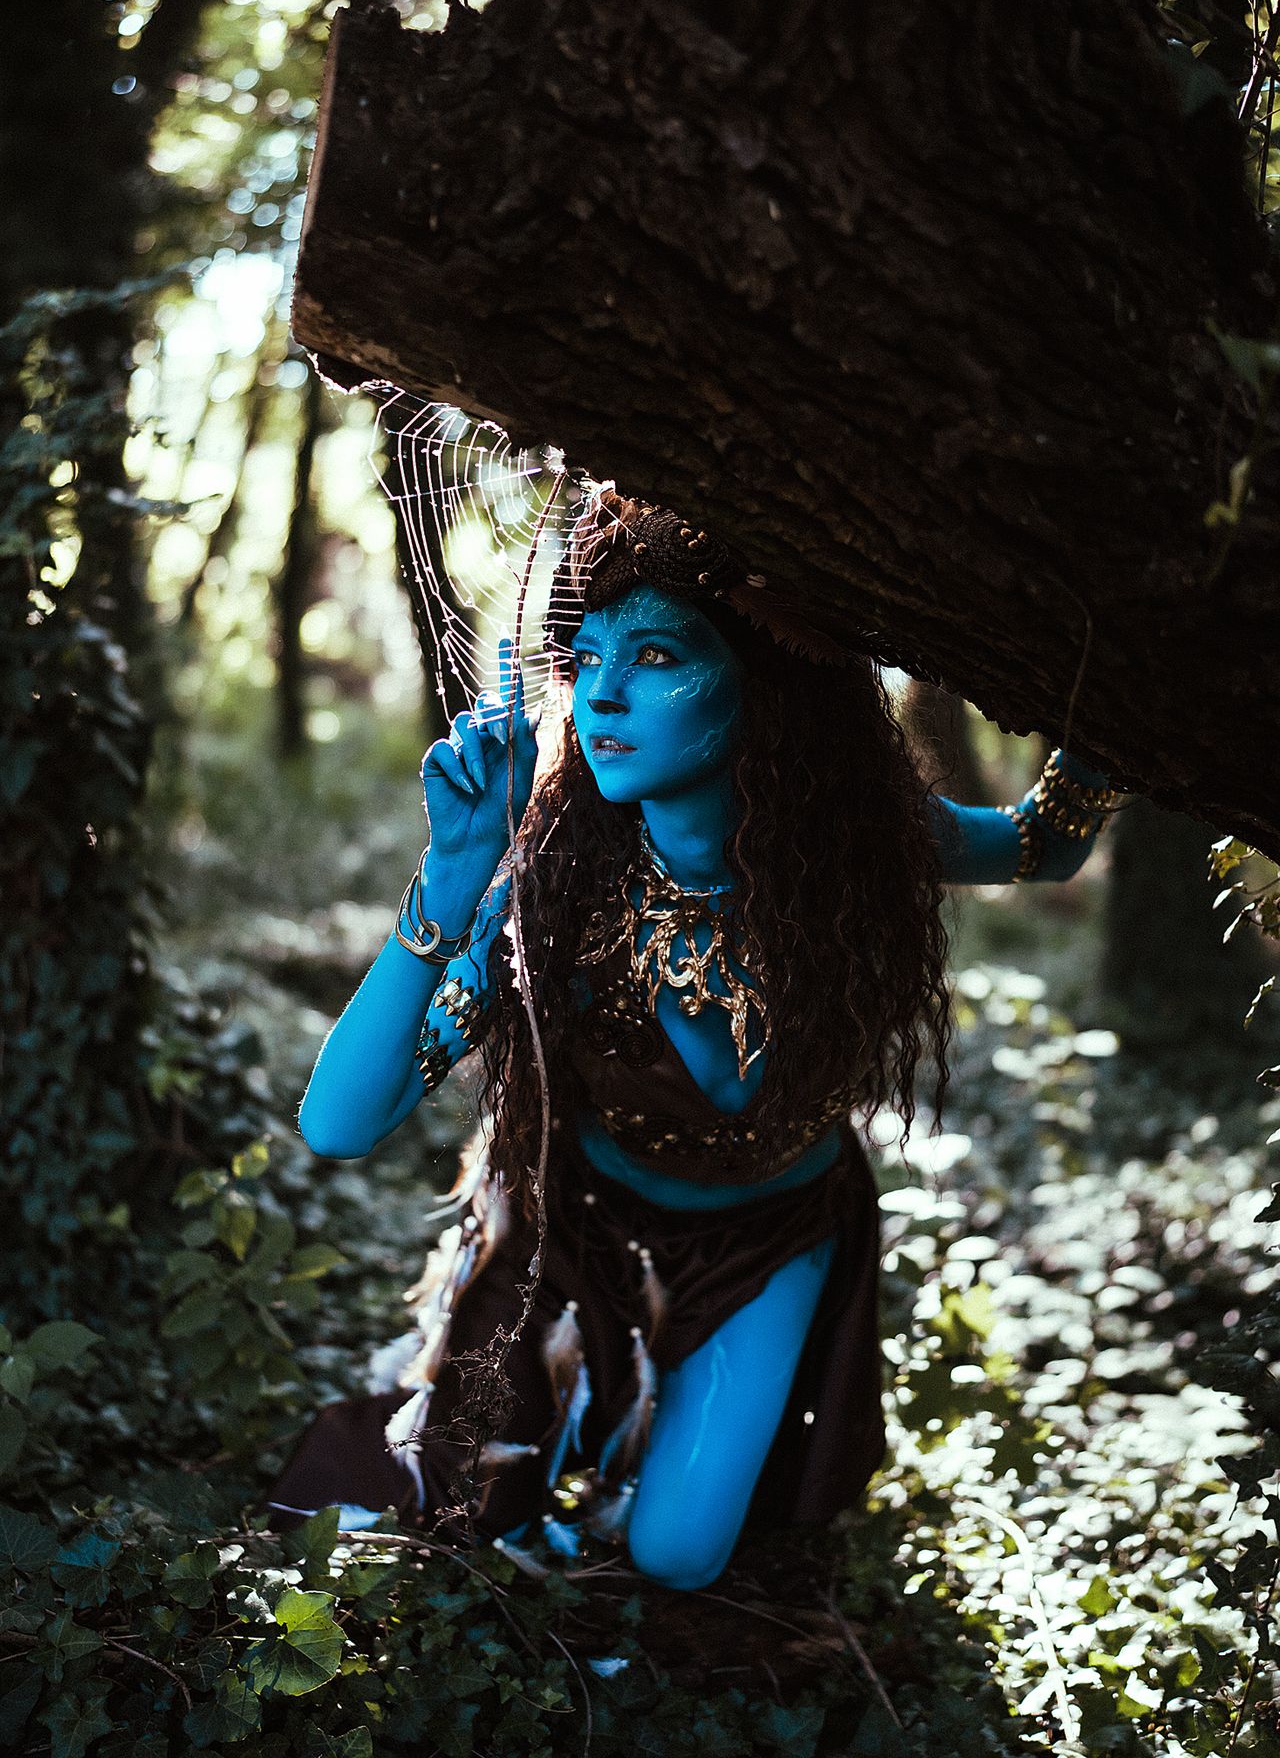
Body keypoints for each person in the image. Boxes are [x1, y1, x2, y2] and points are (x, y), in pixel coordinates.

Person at [267, 487, 1116, 1590]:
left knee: (677, 1556)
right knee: (453, 1505)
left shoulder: (865, 837)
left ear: (763, 683)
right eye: (585, 657)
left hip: (771, 1239)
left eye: (657, 655)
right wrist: (453, 875)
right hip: (575, 1226)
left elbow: (1041, 846)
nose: (602, 693)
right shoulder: (552, 886)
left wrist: (1114, 696)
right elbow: (338, 1124)